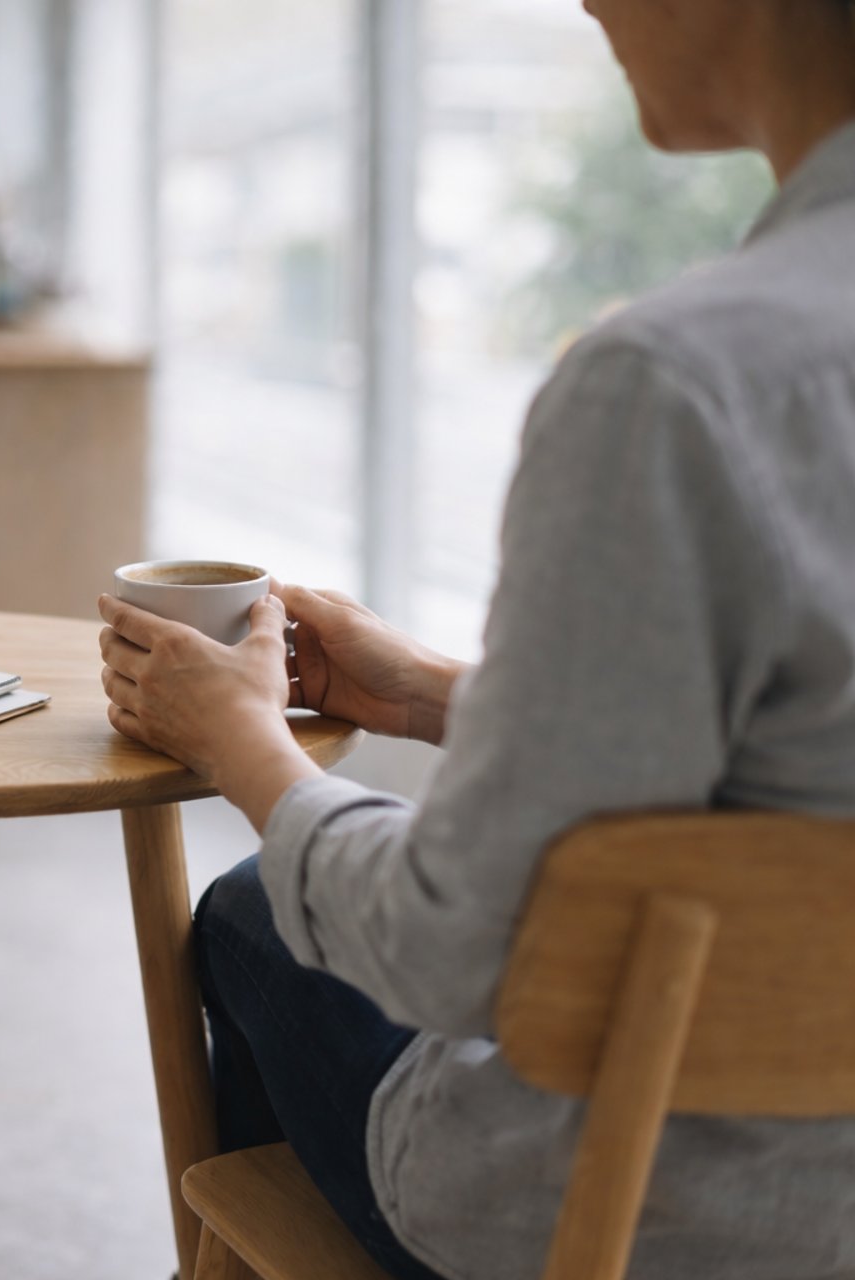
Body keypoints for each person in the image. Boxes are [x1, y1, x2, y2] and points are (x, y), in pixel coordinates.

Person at [99, 1, 855, 1277]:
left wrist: (242, 745)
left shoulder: (673, 383)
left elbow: (453, 946)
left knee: (255, 904)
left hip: (647, 1209)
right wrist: (437, 693)